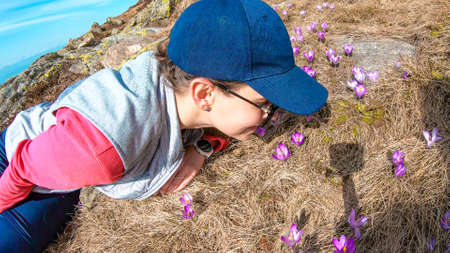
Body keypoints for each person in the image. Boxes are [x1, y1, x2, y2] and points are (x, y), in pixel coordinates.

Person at [0, 0, 328, 252]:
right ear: (205, 93)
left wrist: (202, 148)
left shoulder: (180, 96)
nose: (272, 114)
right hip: (18, 163)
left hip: (66, 169)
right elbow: (25, 166)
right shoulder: (102, 147)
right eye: (264, 102)